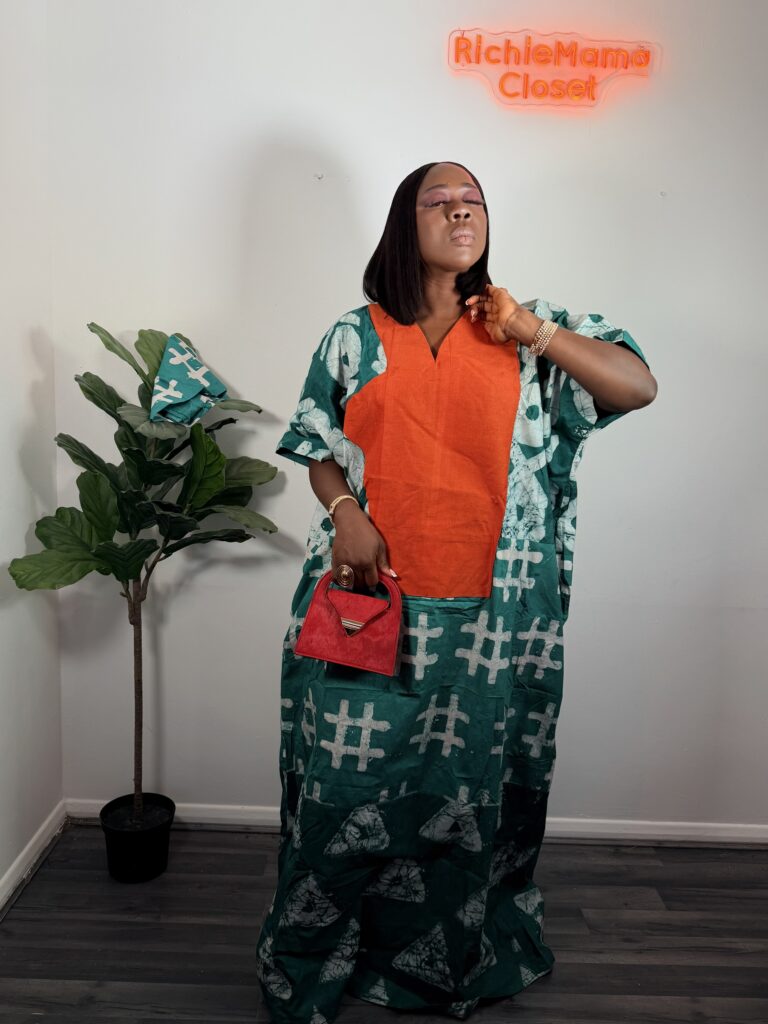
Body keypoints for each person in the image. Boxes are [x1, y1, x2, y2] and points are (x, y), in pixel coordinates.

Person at [256, 161, 657, 1024]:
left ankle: (450, 957)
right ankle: (322, 953)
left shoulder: (524, 328)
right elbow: (317, 446)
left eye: (472, 200)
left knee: (472, 801)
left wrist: (530, 330)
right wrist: (345, 512)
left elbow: (636, 385)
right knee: (341, 794)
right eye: (438, 201)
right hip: (371, 603)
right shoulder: (353, 336)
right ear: (406, 224)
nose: (460, 211)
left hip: (495, 622)